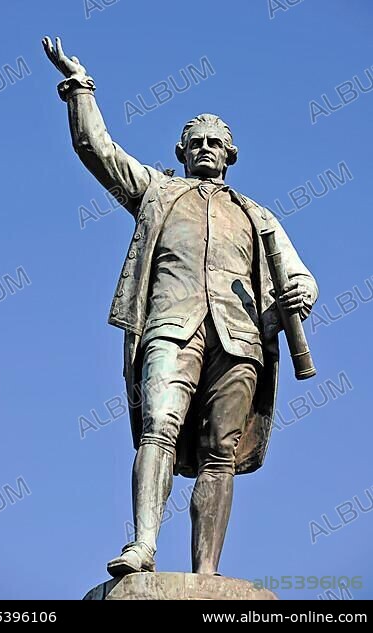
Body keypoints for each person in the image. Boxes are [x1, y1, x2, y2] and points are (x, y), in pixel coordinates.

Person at [43, 36, 318, 577]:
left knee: (222, 453)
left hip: (240, 338)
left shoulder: (258, 215)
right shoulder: (158, 193)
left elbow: (300, 275)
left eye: (216, 142)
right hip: (171, 326)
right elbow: (98, 151)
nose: (206, 148)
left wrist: (300, 294)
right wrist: (80, 88)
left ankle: (207, 571)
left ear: (231, 154)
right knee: (157, 426)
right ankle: (143, 545)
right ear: (182, 152)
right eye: (196, 142)